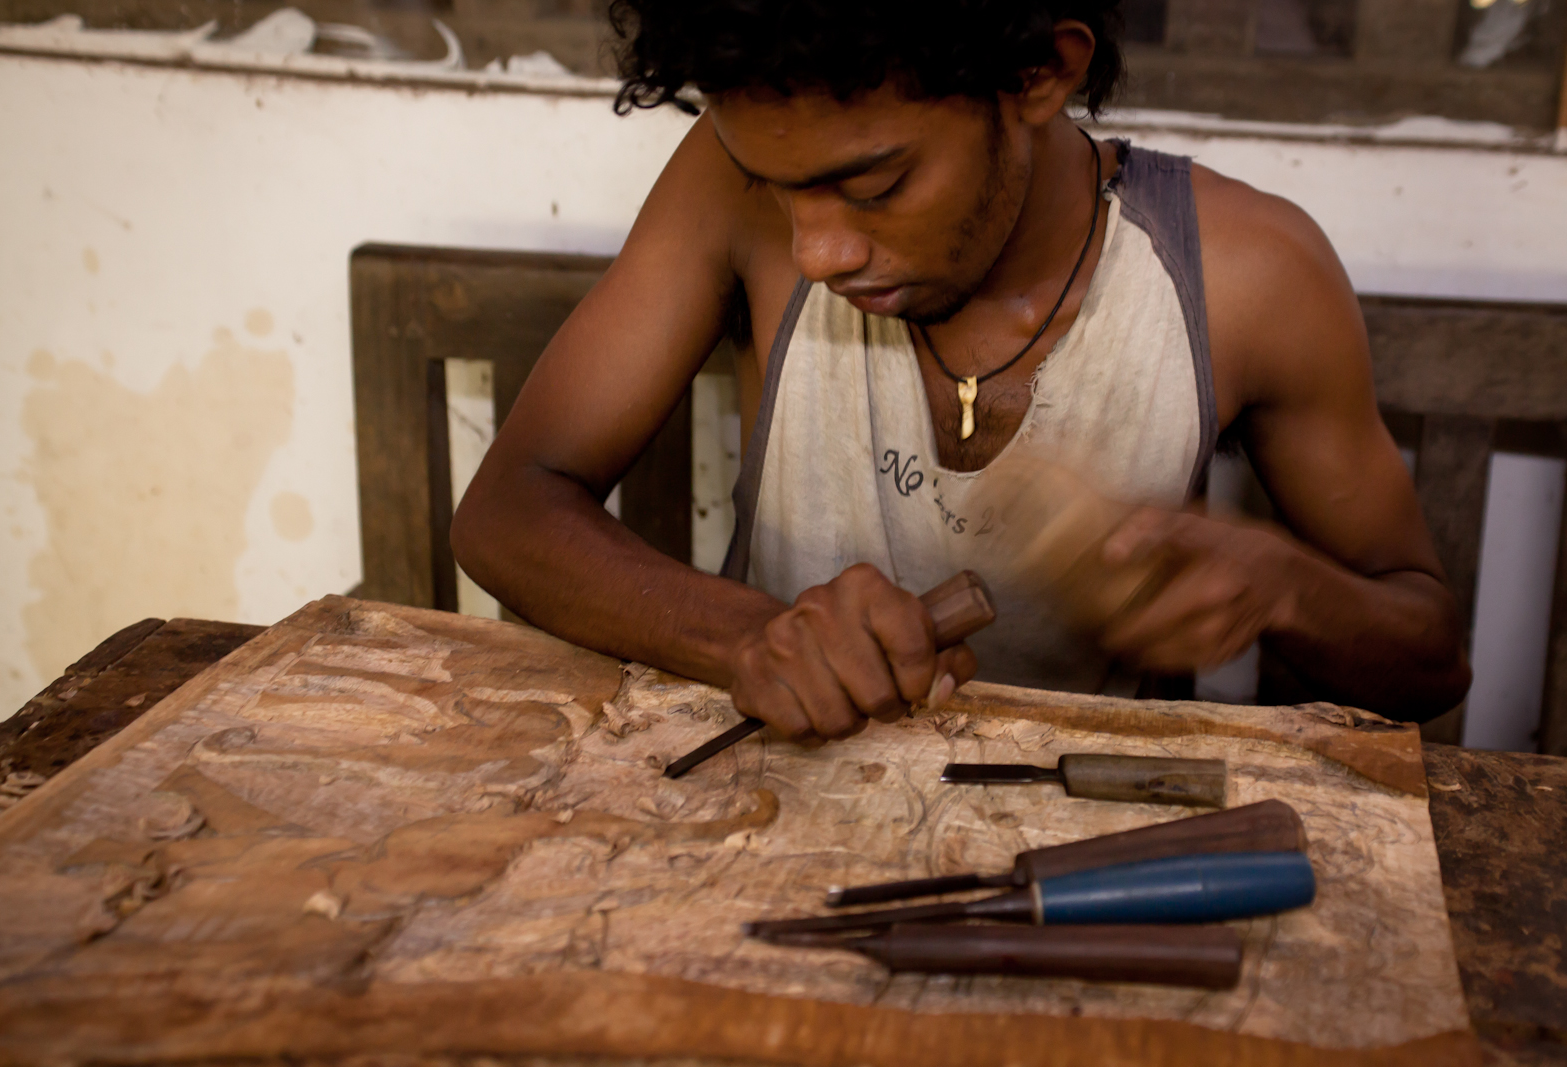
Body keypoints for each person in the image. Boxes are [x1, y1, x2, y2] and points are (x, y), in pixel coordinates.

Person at [451, 0, 1470, 743]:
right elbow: (506, 512)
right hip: (764, 802)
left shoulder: (1248, 275)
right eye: (776, 191)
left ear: (1038, 75)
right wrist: (754, 639)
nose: (814, 251)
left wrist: (1286, 587)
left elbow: (1429, 658)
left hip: (1070, 836)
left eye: (876, 183)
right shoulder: (726, 195)